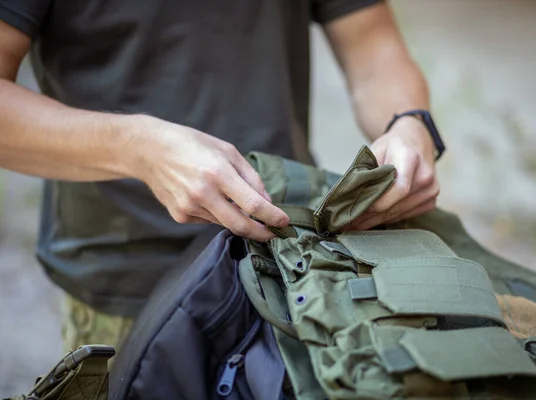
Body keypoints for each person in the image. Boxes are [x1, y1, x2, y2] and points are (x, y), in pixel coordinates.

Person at [0, 0, 440, 351]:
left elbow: (374, 47)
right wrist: (138, 147)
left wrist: (409, 125)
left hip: (294, 273)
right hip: (130, 292)